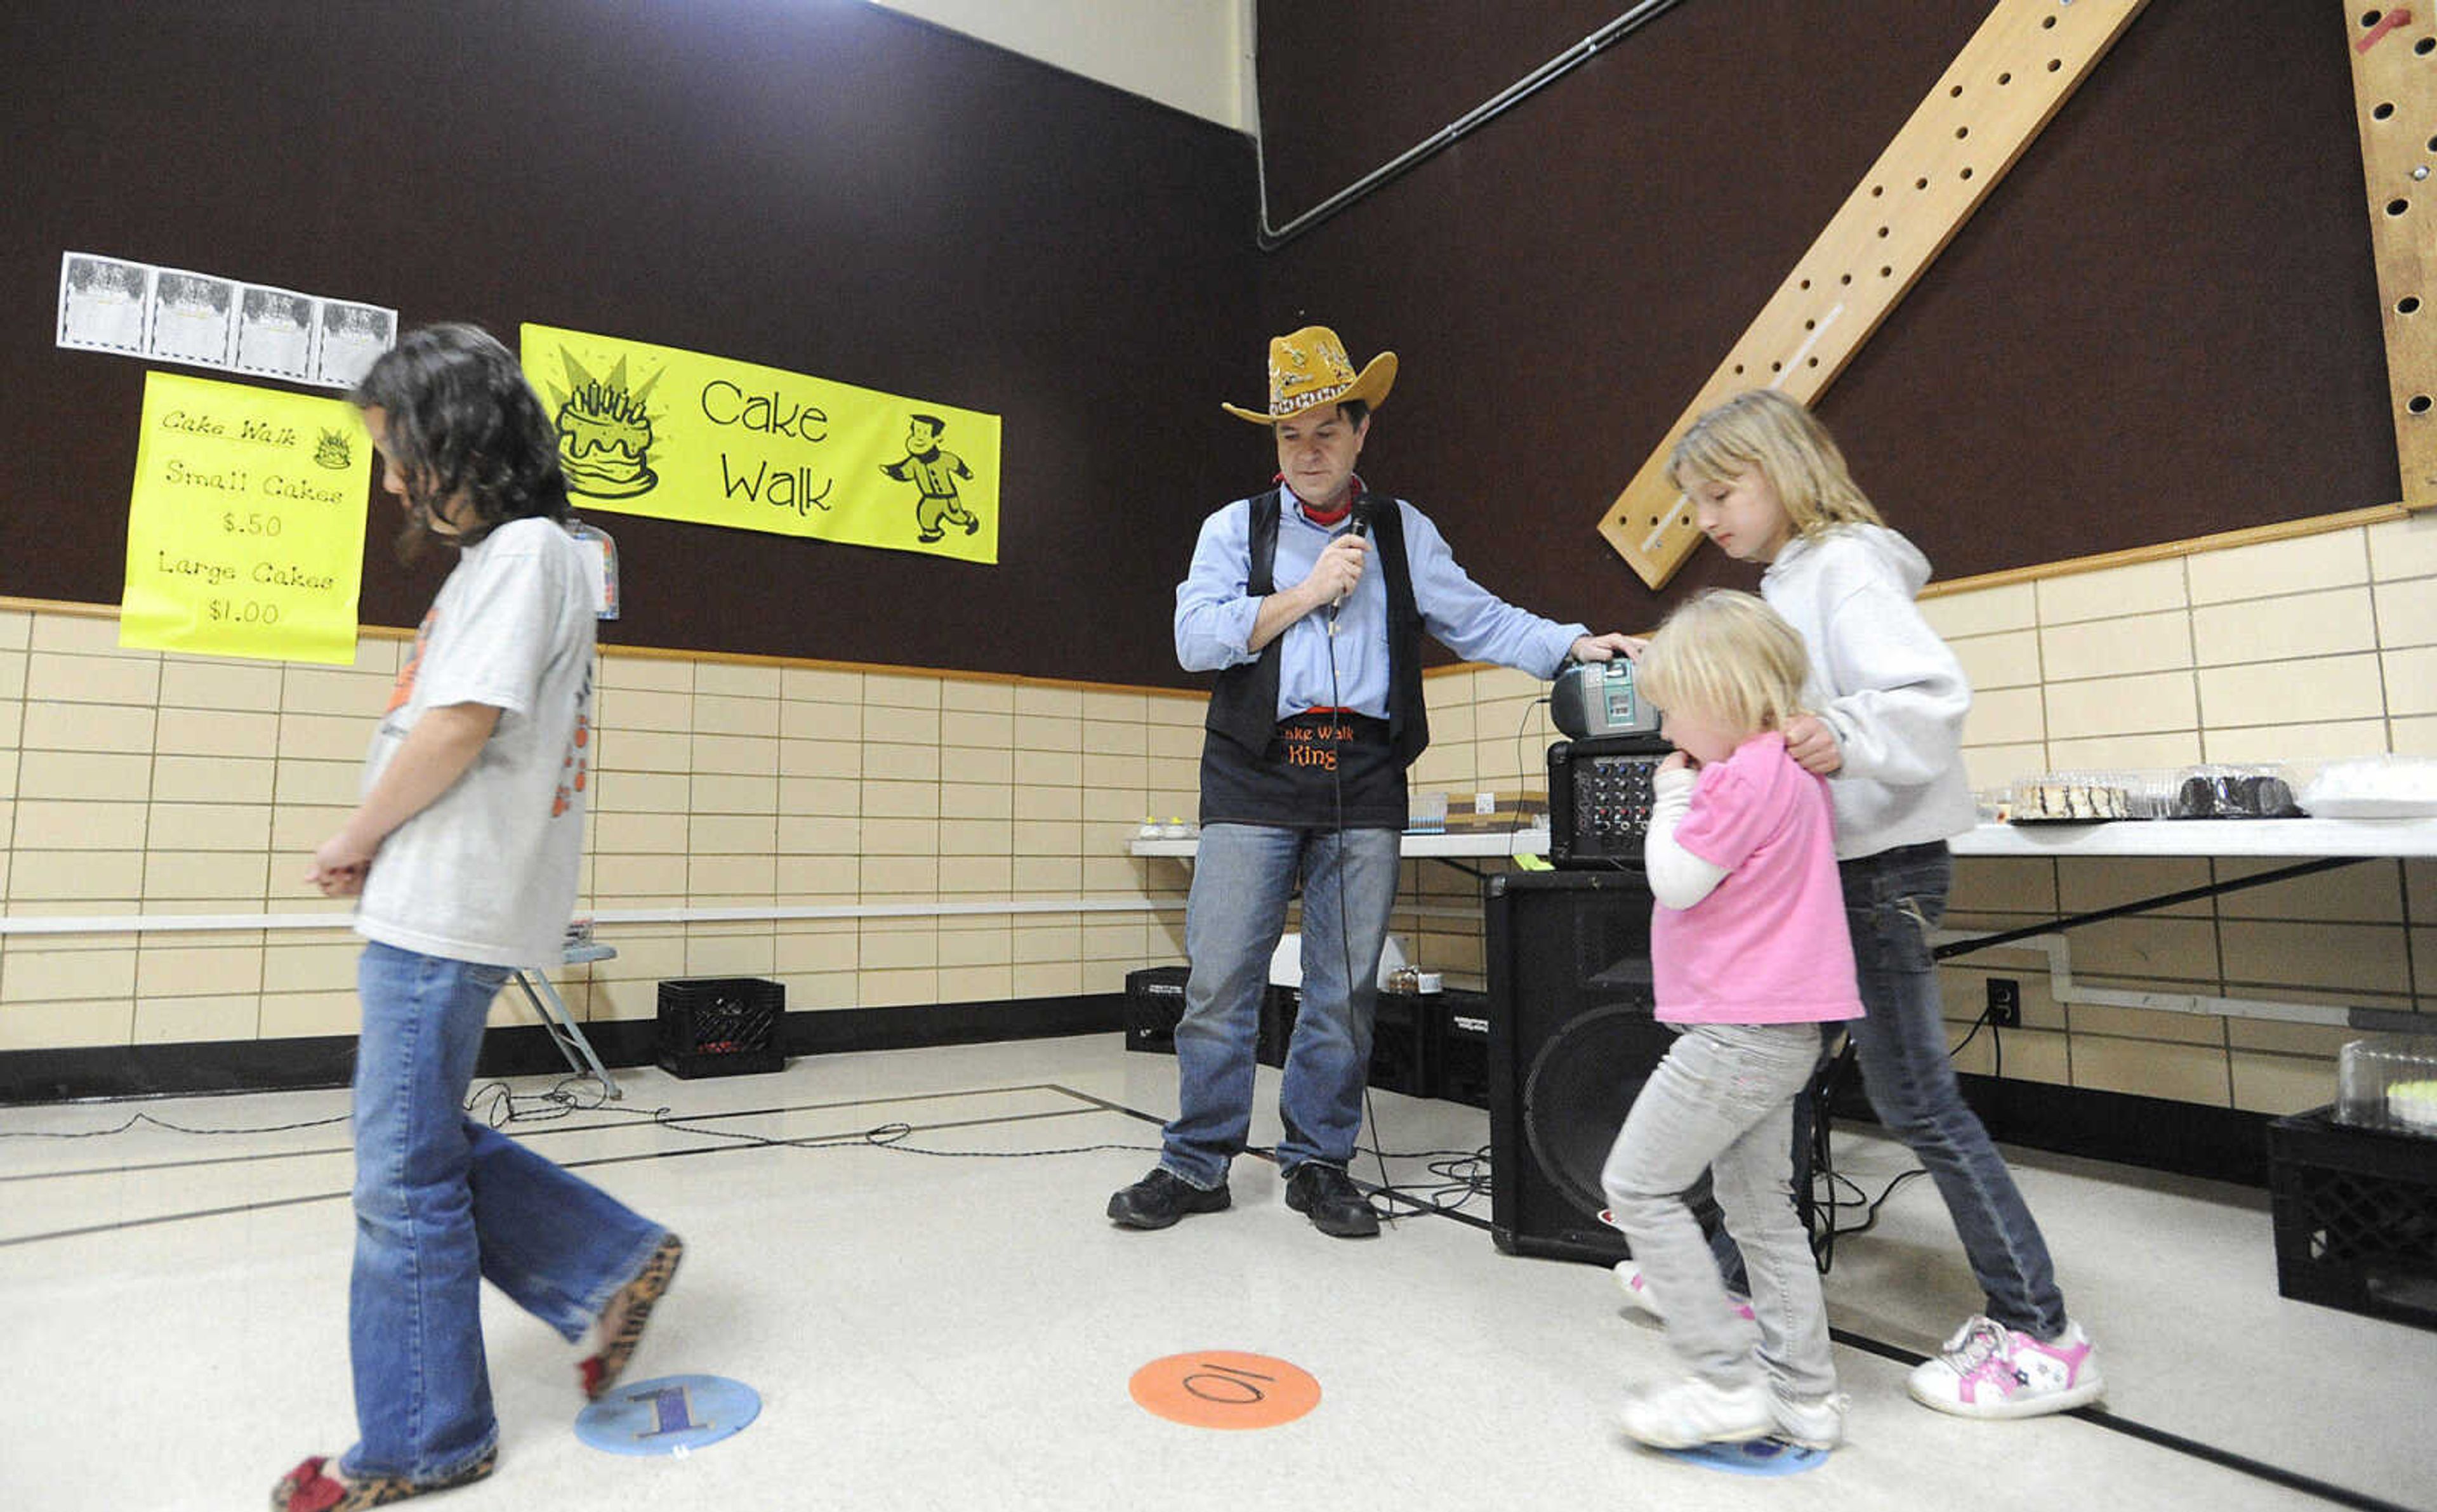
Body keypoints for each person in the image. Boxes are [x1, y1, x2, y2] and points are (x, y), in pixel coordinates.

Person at [277, 324, 682, 1511]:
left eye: (401, 454)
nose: (394, 482)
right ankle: (608, 1263)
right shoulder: (529, 556)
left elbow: (458, 725)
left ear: (459, 440)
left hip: (444, 901)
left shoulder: (522, 556)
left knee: (399, 1177)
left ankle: (423, 1440)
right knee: (418, 1147)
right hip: (446, 891)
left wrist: (356, 836)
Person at [1106, 325, 1633, 1238]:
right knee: (1222, 978)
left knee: (1344, 986)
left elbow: (1480, 619)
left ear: (1359, 436)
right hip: (1254, 771)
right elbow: (1196, 640)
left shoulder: (1401, 531)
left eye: (1324, 432)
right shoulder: (1234, 529)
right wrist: (1306, 593)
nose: (1307, 452)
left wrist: (1569, 646)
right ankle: (1196, 1163)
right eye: (1289, 436)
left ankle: (1318, 1162)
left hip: (1364, 770)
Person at [1656, 388, 2102, 1419]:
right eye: (1696, 504)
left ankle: (2042, 1331)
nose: (1710, 520)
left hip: (1881, 873)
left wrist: (1842, 738)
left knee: (1913, 1102)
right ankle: (1731, 1273)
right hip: (1840, 873)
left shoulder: (1847, 565)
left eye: (1723, 492)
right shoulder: (1792, 580)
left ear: (1785, 468)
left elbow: (1927, 701)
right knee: (1771, 1074)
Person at [1601, 589, 1862, 1451]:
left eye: (1675, 706)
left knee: (1637, 1186)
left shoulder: (1737, 776)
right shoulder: (1794, 776)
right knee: (1761, 1212)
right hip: (1789, 1033)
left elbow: (1675, 879)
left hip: (1735, 1035)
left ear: (1723, 694)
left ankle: (1720, 1380)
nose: (1669, 727)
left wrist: (1669, 798)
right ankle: (1806, 1397)